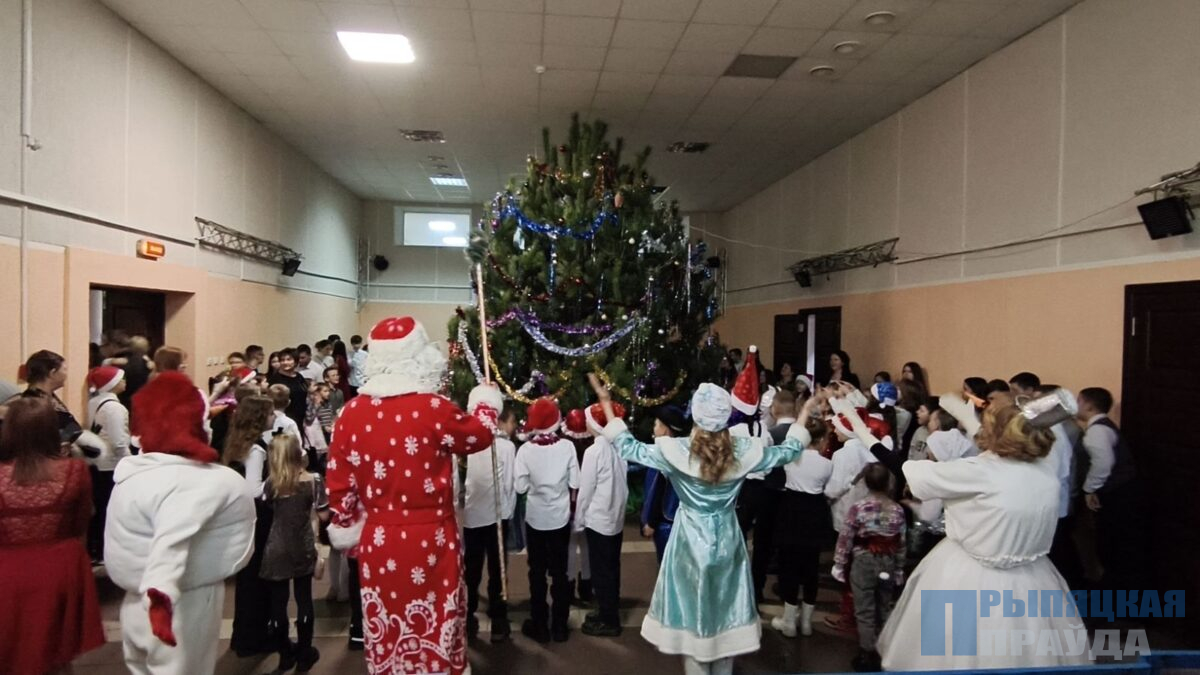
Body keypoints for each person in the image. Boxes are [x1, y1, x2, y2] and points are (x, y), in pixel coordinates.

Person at [588, 375, 813, 675]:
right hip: (728, 542)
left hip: (688, 544)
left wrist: (606, 402)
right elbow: (790, 450)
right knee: (724, 624)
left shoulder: (675, 451)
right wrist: (805, 411)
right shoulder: (744, 451)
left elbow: (629, 447)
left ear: (696, 415)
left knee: (693, 629)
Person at [325, 316, 500, 675]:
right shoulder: (433, 408)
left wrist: (346, 526)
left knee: (388, 618)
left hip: (378, 539)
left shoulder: (350, 413)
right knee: (437, 615)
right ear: (420, 356)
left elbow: (339, 483)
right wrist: (485, 402)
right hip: (431, 538)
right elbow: (479, 435)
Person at [877, 399, 1089, 670]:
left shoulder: (979, 471)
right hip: (1032, 577)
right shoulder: (1045, 469)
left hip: (969, 573)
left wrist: (868, 438)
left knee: (958, 645)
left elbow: (913, 472)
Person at [105, 371, 255, 674]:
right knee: (185, 666)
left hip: (133, 598)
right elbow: (171, 538)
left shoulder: (132, 476)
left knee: (141, 666)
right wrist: (161, 594)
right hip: (179, 601)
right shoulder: (196, 483)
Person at [0, 397, 104, 674]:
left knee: (12, 651)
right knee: (56, 653)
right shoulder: (73, 471)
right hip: (61, 567)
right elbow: (81, 523)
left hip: (7, 570)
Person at [260, 433, 329, 673]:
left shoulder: (271, 484)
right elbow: (323, 514)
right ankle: (305, 654)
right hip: (302, 544)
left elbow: (267, 507)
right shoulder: (313, 480)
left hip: (277, 545)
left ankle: (284, 654)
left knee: (278, 604)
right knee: (304, 599)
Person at [514, 397, 580, 643]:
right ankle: (560, 625)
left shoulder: (525, 451)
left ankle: (539, 623)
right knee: (560, 572)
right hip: (559, 518)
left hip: (536, 518)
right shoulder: (567, 447)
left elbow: (520, 487)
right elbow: (575, 482)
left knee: (537, 571)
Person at [834, 462, 905, 672]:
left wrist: (839, 563)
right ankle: (883, 649)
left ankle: (866, 653)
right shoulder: (897, 510)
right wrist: (899, 569)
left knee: (864, 608)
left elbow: (846, 537)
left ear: (866, 482)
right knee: (883, 606)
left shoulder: (859, 508)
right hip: (888, 561)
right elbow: (901, 543)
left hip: (864, 561)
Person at [222, 395, 277, 656]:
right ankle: (254, 637)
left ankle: (244, 634)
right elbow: (254, 489)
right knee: (257, 578)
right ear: (259, 418)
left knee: (248, 579)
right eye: (270, 413)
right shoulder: (256, 450)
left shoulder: (238, 444)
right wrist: (277, 479)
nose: (274, 417)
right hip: (257, 517)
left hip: (242, 517)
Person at [770, 415, 833, 639]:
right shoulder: (827, 464)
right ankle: (806, 622)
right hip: (815, 512)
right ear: (822, 439)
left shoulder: (792, 459)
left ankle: (788, 621)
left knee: (789, 566)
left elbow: (791, 438)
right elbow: (831, 490)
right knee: (811, 567)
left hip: (791, 510)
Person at [1076, 387, 1144, 590]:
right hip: (1123, 491)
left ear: (1089, 405)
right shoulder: (1104, 426)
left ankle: (1116, 594)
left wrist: (1089, 489)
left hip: (1118, 494)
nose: (1076, 406)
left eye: (1079, 401)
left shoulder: (1097, 431)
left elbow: (1103, 464)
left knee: (1113, 544)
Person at [463, 404, 518, 643]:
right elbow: (509, 483)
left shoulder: (471, 443)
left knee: (472, 568)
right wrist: (509, 512)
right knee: (497, 569)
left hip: (474, 515)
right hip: (496, 515)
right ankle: (498, 619)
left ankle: (468, 615)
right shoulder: (506, 447)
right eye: (512, 421)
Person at [577, 402, 630, 637]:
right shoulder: (619, 447)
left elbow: (586, 490)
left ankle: (609, 620)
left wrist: (579, 518)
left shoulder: (594, 451)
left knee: (601, 571)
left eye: (588, 419)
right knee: (611, 568)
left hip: (598, 520)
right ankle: (608, 609)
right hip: (614, 518)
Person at [86, 365, 132, 563]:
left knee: (100, 507)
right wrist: (130, 461)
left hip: (97, 462)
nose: (125, 382)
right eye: (121, 379)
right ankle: (104, 550)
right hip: (111, 464)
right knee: (109, 508)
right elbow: (118, 440)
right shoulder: (115, 408)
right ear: (112, 384)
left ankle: (95, 548)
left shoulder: (94, 402)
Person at [642, 406, 689, 562]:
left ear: (665, 430)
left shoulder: (663, 455)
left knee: (667, 565)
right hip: (680, 520)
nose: (654, 428)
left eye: (656, 424)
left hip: (666, 522)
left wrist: (650, 522)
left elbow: (657, 489)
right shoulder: (682, 451)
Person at [268, 348, 309, 429]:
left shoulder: (299, 377)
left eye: (289, 359)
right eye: (282, 360)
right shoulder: (275, 379)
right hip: (283, 419)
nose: (285, 362)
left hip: (300, 418)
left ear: (295, 361)